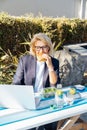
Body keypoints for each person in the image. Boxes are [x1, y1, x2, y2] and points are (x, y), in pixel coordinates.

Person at [13, 33, 60, 130]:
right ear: (34, 48)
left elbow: (54, 84)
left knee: (51, 123)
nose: (41, 51)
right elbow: (16, 83)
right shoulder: (25, 60)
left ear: (49, 48)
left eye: (44, 47)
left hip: (45, 100)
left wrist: (50, 67)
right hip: (28, 99)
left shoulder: (54, 62)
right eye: (38, 47)